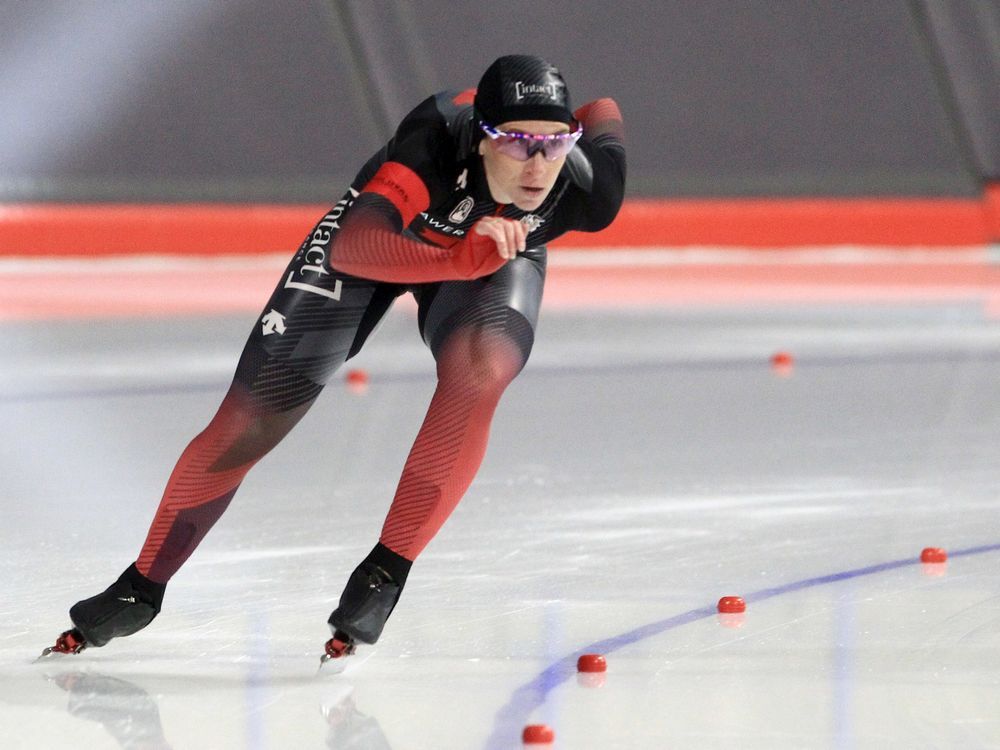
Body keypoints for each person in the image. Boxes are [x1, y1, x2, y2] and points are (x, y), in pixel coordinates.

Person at [44, 54, 626, 660]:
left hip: (492, 252)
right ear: (481, 138)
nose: (538, 164)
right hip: (388, 241)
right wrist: (455, 259)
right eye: (516, 142)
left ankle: (384, 573)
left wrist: (551, 136)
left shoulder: (586, 190)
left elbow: (601, 108)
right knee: (252, 417)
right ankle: (142, 586)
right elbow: (353, 248)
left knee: (482, 370)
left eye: (554, 143)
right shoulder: (430, 146)